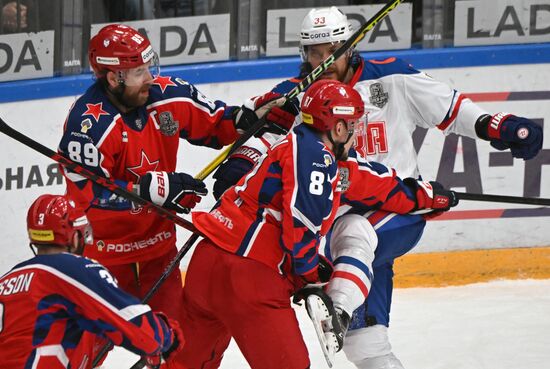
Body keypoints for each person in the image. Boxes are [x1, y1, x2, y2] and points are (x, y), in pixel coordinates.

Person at [211, 6, 544, 369]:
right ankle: (345, 316)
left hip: (395, 208)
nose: (325, 61)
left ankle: (335, 308)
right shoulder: (296, 97)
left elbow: (450, 107)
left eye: (332, 51)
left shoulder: (391, 76)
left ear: (349, 47)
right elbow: (265, 134)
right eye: (315, 53)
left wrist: (497, 125)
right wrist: (241, 162)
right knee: (366, 346)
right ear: (303, 53)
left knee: (358, 231)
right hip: (336, 223)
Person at [176, 79, 458, 369]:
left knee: (184, 365)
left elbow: (374, 183)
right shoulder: (318, 159)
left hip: (206, 264)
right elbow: (302, 224)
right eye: (352, 126)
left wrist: (424, 195)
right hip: (250, 277)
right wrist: (310, 273)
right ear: (337, 128)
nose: (355, 134)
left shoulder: (294, 145)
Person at [57, 24, 286, 367]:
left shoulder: (166, 95)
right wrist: (144, 191)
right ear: (112, 78)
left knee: (180, 351)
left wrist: (249, 117)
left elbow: (217, 122)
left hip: (158, 255)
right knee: (78, 356)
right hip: (101, 261)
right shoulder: (87, 125)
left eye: (149, 66)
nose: (148, 77)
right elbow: (86, 197)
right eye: (136, 72)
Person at [0, 194, 183, 369]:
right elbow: (141, 331)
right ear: (75, 236)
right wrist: (166, 336)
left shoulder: (7, 280)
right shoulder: (74, 270)